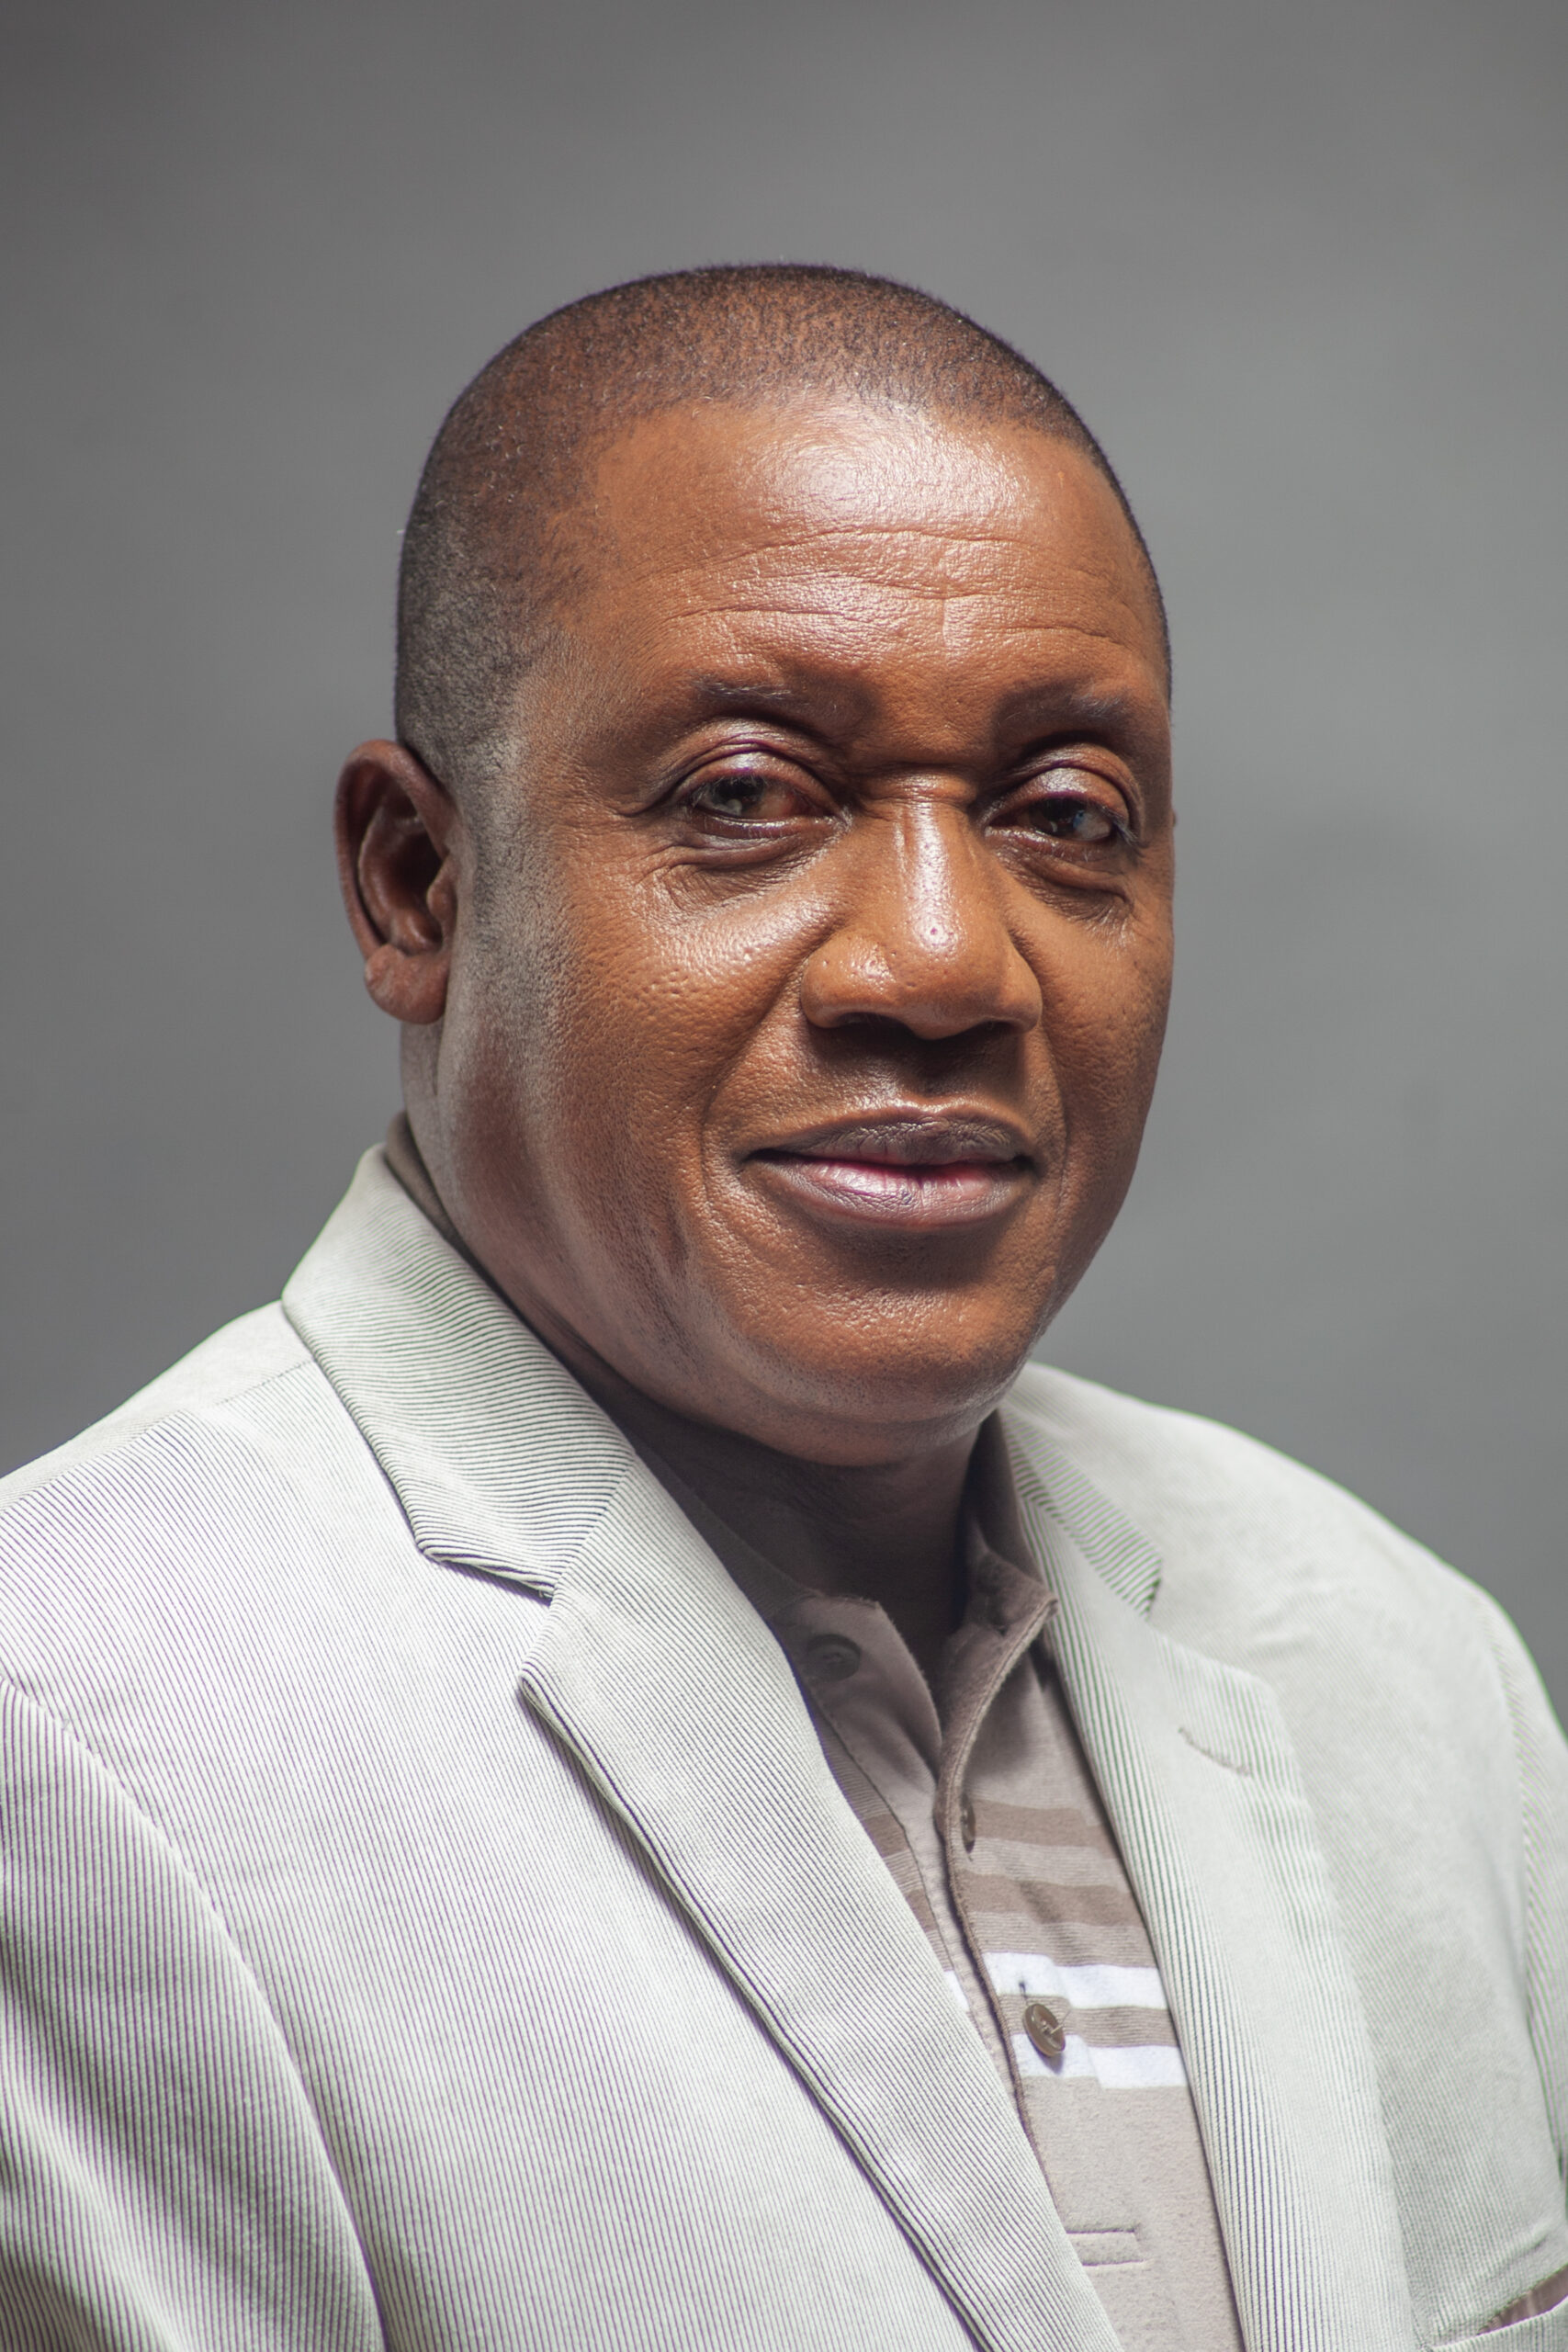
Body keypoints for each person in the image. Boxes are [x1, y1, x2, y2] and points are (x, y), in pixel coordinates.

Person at [0, 266, 1562, 2352]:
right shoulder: (76, 1745)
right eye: (744, 795)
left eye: (1064, 816)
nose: (944, 961)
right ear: (415, 885)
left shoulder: (1405, 1666)